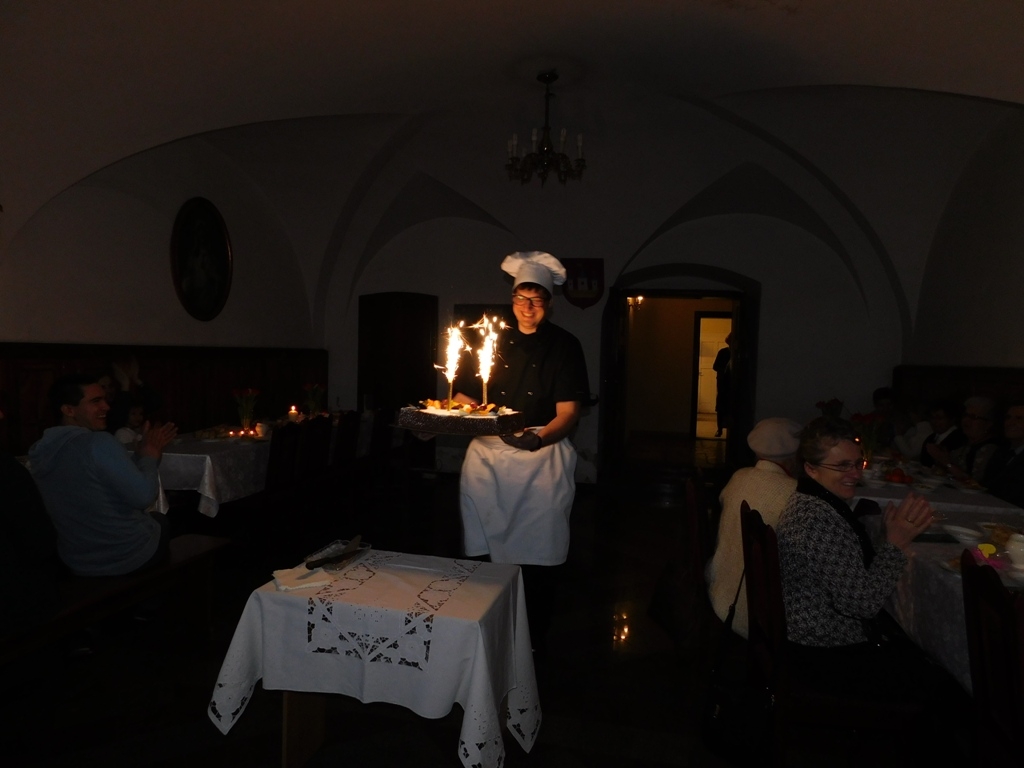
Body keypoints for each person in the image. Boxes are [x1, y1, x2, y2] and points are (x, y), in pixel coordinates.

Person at [776, 417, 968, 725]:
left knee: (925, 658)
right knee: (948, 686)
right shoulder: (816, 520)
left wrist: (887, 543)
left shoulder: (815, 502)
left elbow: (848, 576)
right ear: (811, 469)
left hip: (816, 639)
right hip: (824, 653)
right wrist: (895, 544)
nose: (855, 474)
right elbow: (863, 605)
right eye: (842, 466)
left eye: (857, 463)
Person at [455, 251, 589, 652]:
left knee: (538, 553)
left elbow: (568, 413)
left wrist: (539, 439)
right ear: (511, 299)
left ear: (549, 303)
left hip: (541, 458)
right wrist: (450, 415)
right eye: (521, 299)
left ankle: (532, 641)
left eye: (536, 300)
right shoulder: (489, 338)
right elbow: (462, 395)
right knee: (485, 554)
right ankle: (485, 633)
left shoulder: (565, 346)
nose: (527, 308)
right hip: (487, 457)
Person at [28, 373, 177, 576]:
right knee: (162, 520)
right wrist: (150, 457)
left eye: (105, 400)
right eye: (96, 401)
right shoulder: (98, 443)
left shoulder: (41, 451)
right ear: (69, 410)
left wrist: (140, 457)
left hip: (77, 559)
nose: (106, 406)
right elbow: (144, 497)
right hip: (124, 555)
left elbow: (93, 485)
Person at [706, 417, 800, 638]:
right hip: (753, 611)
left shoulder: (738, 477)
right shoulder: (793, 492)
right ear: (794, 456)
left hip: (719, 590)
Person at [926, 396, 999, 482]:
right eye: (966, 415)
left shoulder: (990, 449)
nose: (966, 420)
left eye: (973, 417)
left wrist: (947, 463)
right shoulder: (965, 441)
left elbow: (975, 483)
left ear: (988, 424)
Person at [983, 402, 1024, 506]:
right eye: (1008, 418)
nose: (1010, 423)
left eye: (1019, 418)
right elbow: (986, 484)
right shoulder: (1002, 451)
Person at [918, 399, 967, 467]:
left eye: (939, 418)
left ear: (952, 419)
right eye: (932, 418)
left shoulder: (960, 439)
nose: (934, 422)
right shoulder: (930, 438)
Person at [712, 333, 732, 437]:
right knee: (721, 405)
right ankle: (719, 429)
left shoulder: (737, 354)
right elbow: (715, 366)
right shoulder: (723, 352)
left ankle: (724, 428)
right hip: (723, 383)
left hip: (731, 383)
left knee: (729, 405)